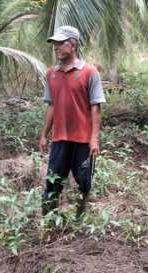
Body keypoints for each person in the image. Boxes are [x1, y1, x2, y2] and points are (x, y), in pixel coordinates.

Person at [39, 25, 106, 220]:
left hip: (83, 139)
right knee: (53, 180)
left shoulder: (89, 72)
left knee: (84, 180)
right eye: (55, 44)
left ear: (73, 45)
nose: (56, 47)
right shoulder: (51, 73)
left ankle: (81, 215)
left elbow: (96, 107)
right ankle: (49, 218)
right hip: (60, 137)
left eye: (60, 43)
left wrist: (94, 139)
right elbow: (51, 105)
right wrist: (44, 134)